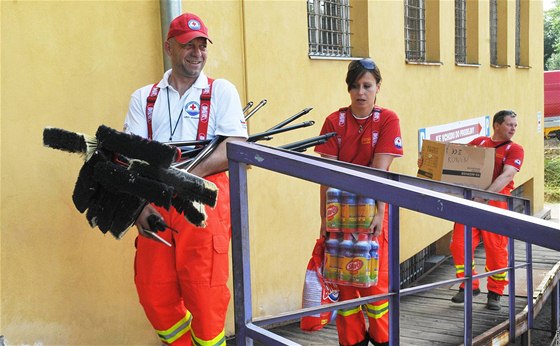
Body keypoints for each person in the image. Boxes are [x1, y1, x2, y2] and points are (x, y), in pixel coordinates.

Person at [123, 13, 248, 345]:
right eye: (187, 45)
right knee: (154, 293)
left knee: (205, 298)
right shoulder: (143, 99)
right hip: (155, 203)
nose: (197, 52)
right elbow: (129, 160)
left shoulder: (221, 91)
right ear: (169, 48)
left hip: (202, 205)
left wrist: (185, 175)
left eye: (202, 45)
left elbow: (234, 148)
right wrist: (138, 209)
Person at [314, 58, 403, 346]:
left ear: (378, 87)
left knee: (376, 284)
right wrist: (324, 218)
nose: (360, 92)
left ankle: (382, 340)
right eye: (355, 86)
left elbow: (379, 169)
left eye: (367, 85)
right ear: (348, 89)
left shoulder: (388, 119)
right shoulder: (334, 121)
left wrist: (378, 212)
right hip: (338, 213)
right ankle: (351, 342)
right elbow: (327, 175)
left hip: (374, 210)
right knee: (345, 284)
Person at [448, 110, 524, 311]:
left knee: (496, 250)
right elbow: (455, 164)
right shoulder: (479, 142)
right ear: (497, 125)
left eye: (515, 125)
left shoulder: (515, 149)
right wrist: (429, 164)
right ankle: (468, 285)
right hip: (472, 200)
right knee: (459, 245)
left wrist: (484, 197)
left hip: (496, 202)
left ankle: (495, 292)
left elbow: (507, 176)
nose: (513, 129)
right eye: (509, 124)